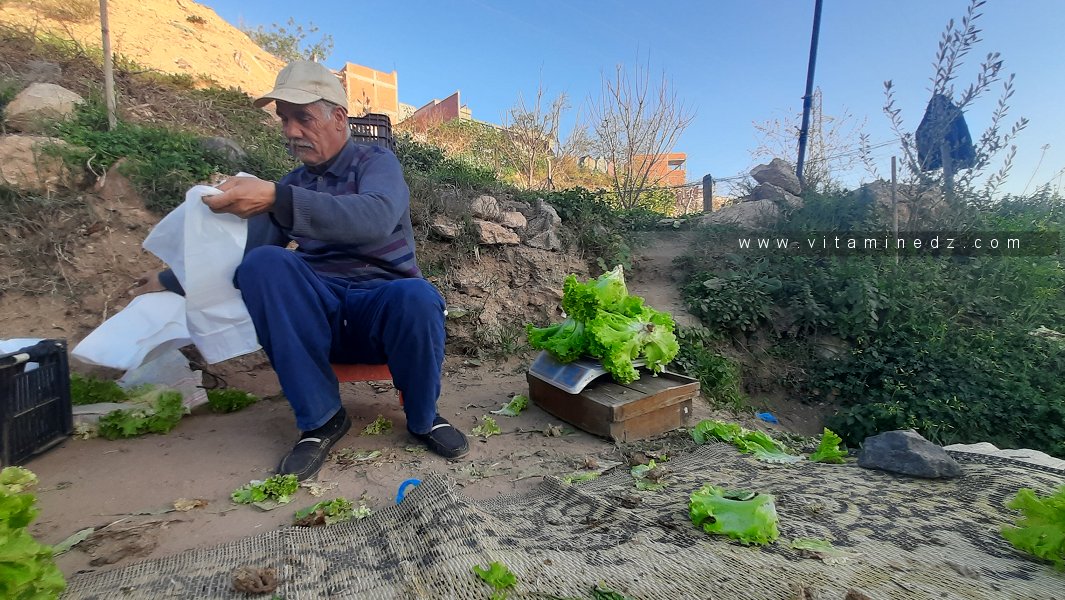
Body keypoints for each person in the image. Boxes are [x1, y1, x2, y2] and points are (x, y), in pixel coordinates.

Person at [132, 60, 469, 480]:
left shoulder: (375, 163)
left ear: (339, 118)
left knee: (417, 296)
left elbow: (375, 218)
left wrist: (277, 197)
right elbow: (241, 258)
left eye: (302, 118)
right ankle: (321, 420)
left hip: (381, 314)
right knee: (265, 263)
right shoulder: (290, 187)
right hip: (321, 322)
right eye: (284, 120)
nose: (291, 131)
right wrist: (165, 281)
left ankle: (423, 418)